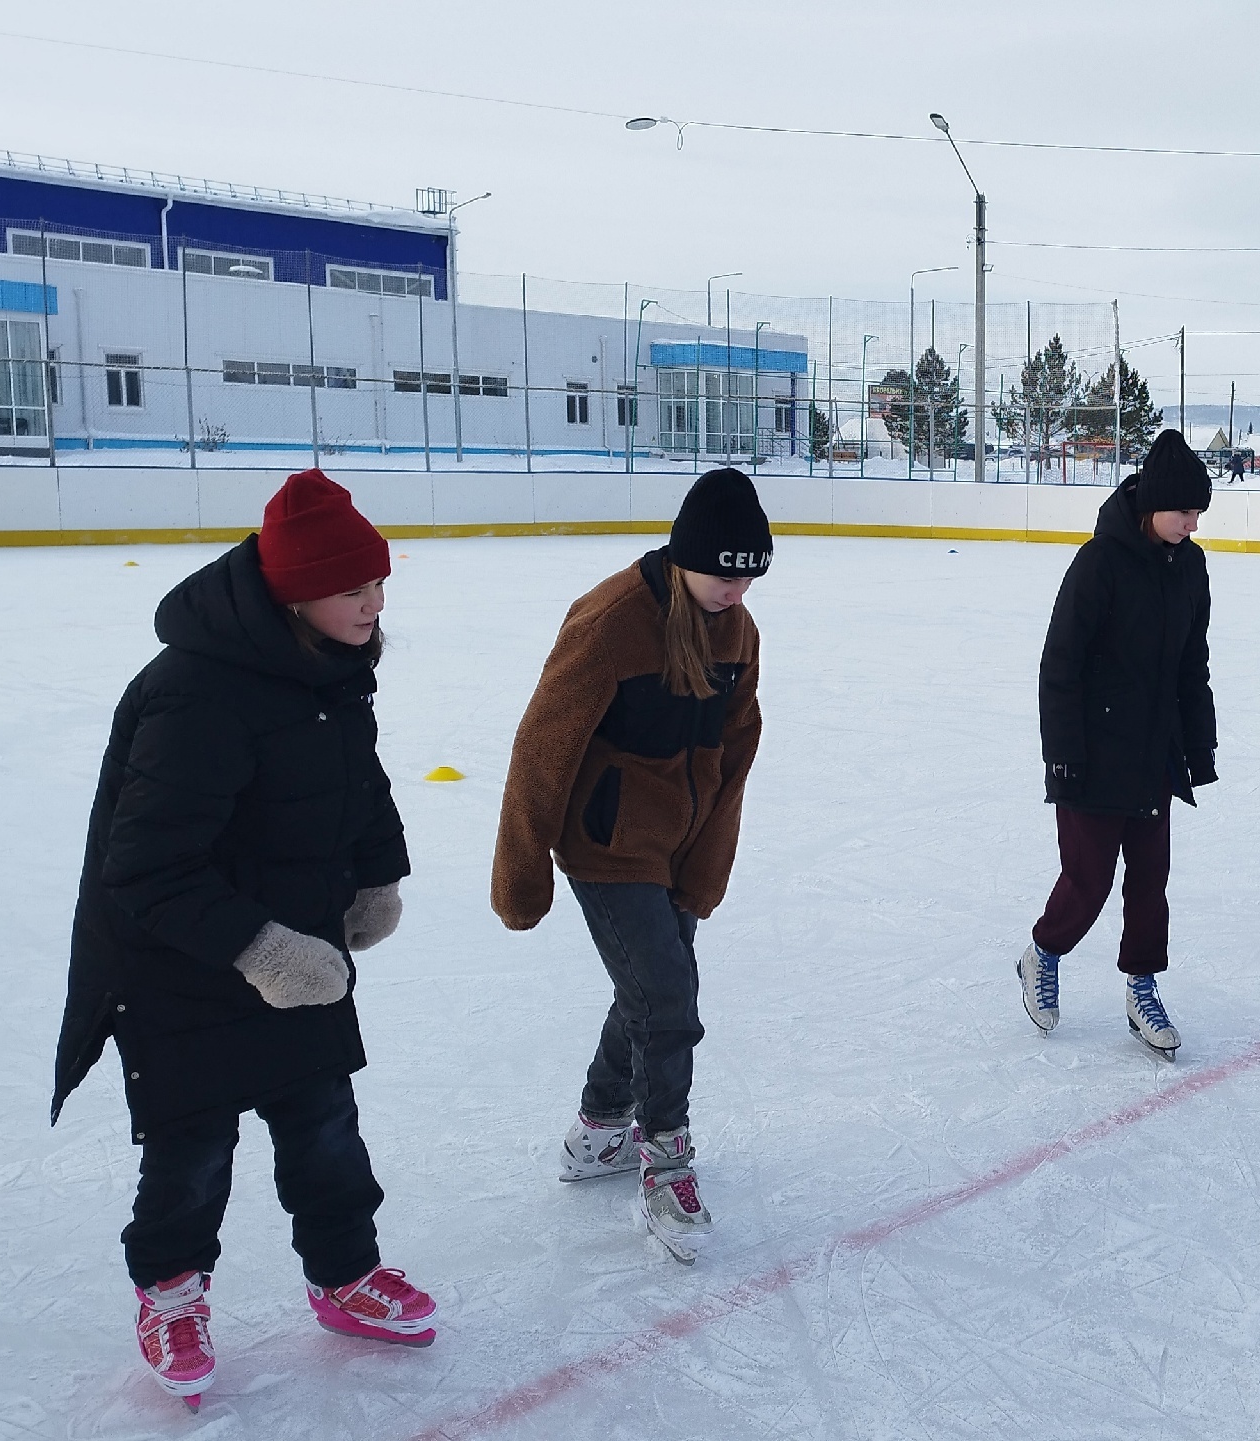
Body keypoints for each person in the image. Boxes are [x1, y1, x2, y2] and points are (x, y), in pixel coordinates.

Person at [53, 469, 435, 1411]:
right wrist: (261, 949)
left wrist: (380, 874)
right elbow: (142, 869)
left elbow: (360, 780)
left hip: (293, 946)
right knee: (191, 1155)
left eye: (380, 583)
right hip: (176, 965)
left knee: (326, 1134)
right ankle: (172, 1293)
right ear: (295, 590)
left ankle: (346, 1272)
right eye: (355, 588)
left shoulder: (331, 660)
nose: (374, 604)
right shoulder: (194, 694)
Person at [491, 468, 768, 1262]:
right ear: (685, 557)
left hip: (674, 842)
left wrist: (708, 857)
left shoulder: (736, 631)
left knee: (650, 984)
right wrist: (523, 866)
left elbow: (735, 751)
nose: (738, 587)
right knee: (668, 994)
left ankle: (600, 1128)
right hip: (606, 844)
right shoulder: (612, 620)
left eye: (751, 572)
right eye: (725, 570)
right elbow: (541, 746)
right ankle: (665, 1155)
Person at [1021, 428, 1217, 1060]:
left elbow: (1193, 663)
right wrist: (1063, 754)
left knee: (1150, 882)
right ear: (1149, 506)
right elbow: (1060, 664)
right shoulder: (1099, 563)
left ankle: (1142, 986)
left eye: (1197, 514)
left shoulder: (1191, 567)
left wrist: (1199, 746)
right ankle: (1043, 953)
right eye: (1182, 512)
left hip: (1153, 755)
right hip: (1092, 753)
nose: (1191, 524)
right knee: (1088, 879)